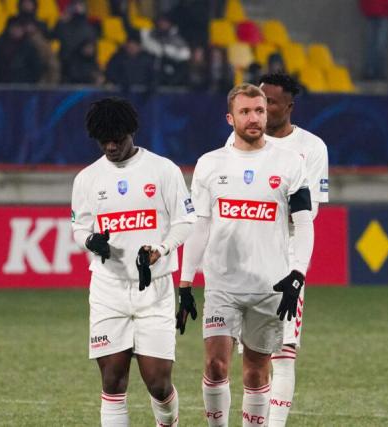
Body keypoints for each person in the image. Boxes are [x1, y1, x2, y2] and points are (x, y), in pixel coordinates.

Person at [178, 83, 315, 426]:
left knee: (256, 371)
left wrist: (298, 272)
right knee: (215, 365)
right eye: (245, 112)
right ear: (230, 118)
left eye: (259, 111)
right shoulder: (210, 165)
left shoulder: (290, 163)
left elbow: (304, 223)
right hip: (222, 284)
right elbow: (200, 226)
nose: (254, 118)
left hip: (270, 287)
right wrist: (185, 281)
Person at [71, 97, 197, 427]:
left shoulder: (163, 170)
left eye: (118, 139)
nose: (111, 146)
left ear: (132, 133)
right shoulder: (87, 178)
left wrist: (162, 248)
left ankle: (168, 421)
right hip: (108, 288)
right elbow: (79, 227)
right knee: (112, 381)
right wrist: (89, 241)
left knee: (157, 383)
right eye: (104, 141)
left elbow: (185, 220)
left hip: (153, 290)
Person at [358, 0, 388, 80]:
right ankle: (378, 72)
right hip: (384, 9)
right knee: (380, 44)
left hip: (372, 9)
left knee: (372, 43)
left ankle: (371, 71)